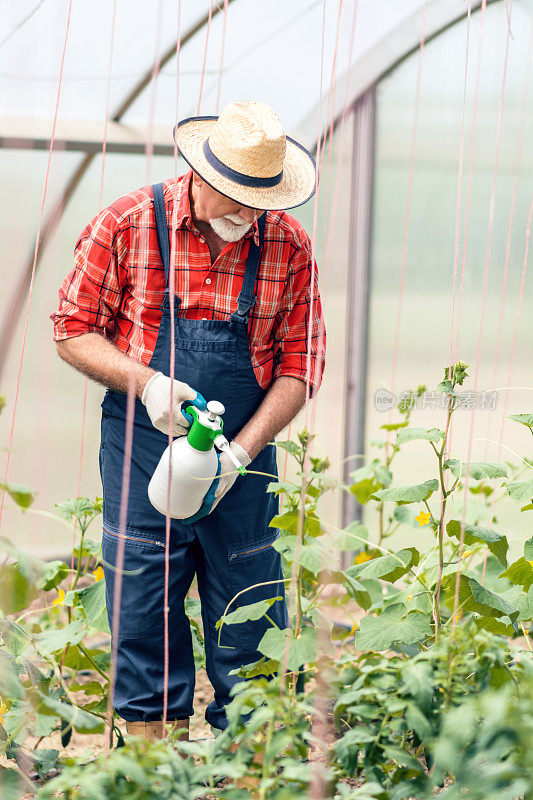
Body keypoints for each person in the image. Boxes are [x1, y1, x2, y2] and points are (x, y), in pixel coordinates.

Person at [51, 100, 326, 741]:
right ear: (198, 173)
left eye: (260, 202)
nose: (249, 215)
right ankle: (153, 763)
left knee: (251, 595)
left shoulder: (288, 245)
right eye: (235, 198)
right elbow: (72, 329)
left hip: (243, 450)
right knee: (143, 597)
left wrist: (241, 454)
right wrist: (146, 384)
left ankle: (252, 762)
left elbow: (301, 364)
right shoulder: (127, 225)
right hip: (144, 442)